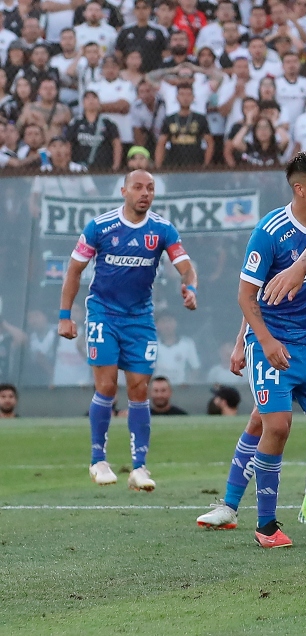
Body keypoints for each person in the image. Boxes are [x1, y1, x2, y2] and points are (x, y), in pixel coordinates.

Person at [231, 152, 306, 548]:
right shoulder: (270, 230)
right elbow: (246, 296)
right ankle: (266, 526)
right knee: (276, 426)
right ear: (300, 188)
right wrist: (263, 340)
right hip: (274, 344)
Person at [58, 170, 197, 490]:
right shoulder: (100, 226)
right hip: (103, 315)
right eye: (138, 187)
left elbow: (187, 267)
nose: (145, 193)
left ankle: (139, 468)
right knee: (106, 387)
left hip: (140, 320)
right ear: (123, 191)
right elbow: (74, 270)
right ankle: (98, 460)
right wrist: (65, 315)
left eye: (150, 188)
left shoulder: (162, 229)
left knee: (138, 390)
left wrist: (191, 288)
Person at [155, 83, 213, 167]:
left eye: (188, 94)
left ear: (193, 97)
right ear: (177, 97)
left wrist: (206, 165)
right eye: (182, 94)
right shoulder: (169, 119)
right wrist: (158, 166)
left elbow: (210, 142)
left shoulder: (200, 119)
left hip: (196, 163)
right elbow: (161, 143)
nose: (185, 98)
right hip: (174, 164)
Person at [65, 90, 122, 170]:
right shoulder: (75, 123)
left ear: (99, 102)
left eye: (94, 98)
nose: (91, 101)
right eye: (87, 98)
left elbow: (116, 144)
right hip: (79, 168)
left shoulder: (108, 123)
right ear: (83, 103)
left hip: (104, 169)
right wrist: (69, 163)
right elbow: (68, 144)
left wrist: (116, 166)